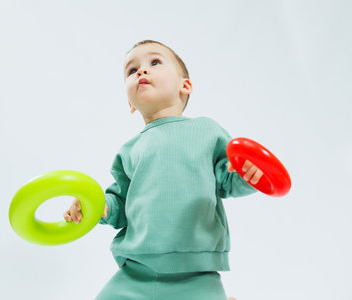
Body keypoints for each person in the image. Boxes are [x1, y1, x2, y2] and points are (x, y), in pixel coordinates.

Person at [64, 40, 263, 300]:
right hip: (136, 270)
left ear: (185, 86)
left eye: (154, 62)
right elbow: (120, 205)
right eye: (132, 70)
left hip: (197, 272)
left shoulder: (207, 131)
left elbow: (227, 181)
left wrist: (249, 176)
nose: (141, 72)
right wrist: (95, 206)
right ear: (130, 103)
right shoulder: (129, 150)